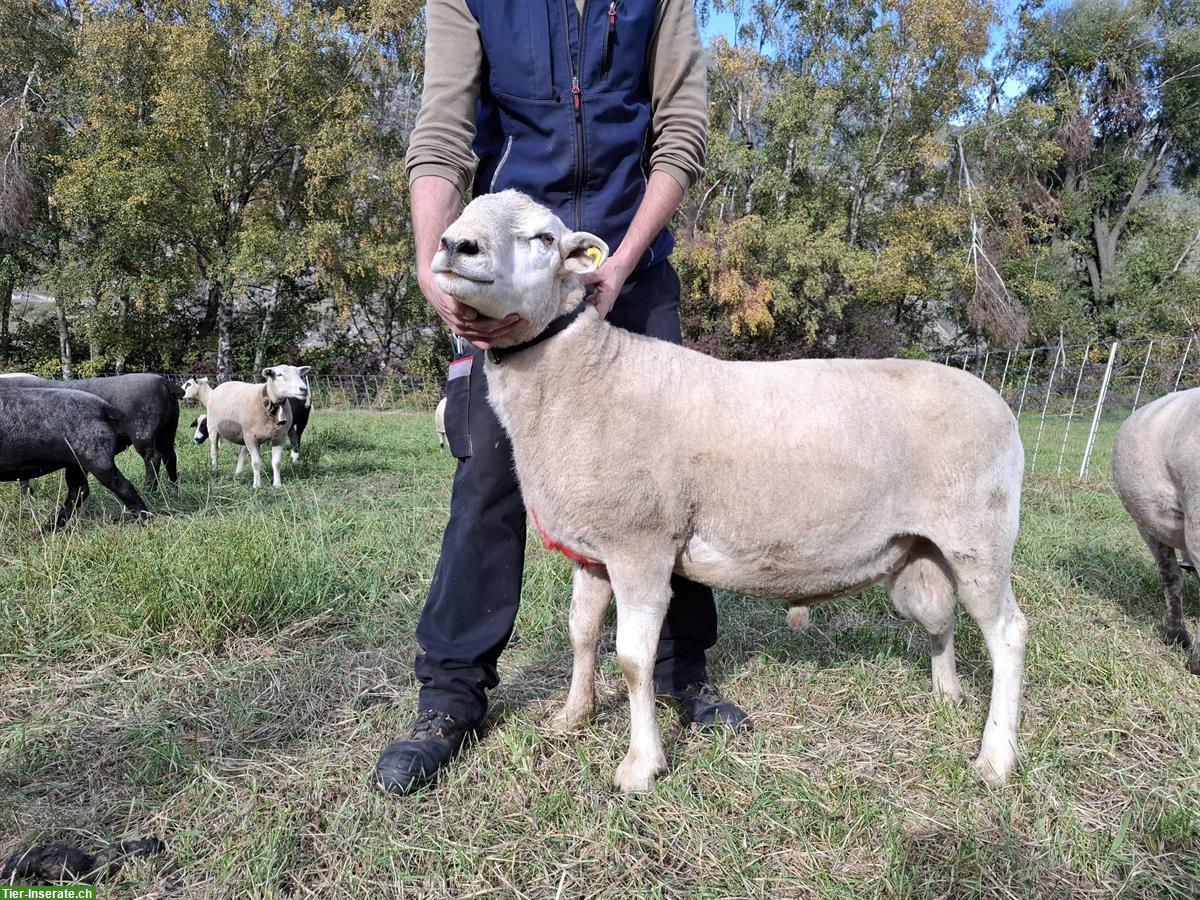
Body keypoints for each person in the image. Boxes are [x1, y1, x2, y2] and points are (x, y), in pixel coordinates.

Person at [375, 0, 748, 796]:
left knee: (673, 471)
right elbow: (445, 129)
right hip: (513, 273)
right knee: (487, 475)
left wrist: (624, 258)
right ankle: (450, 697)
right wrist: (430, 261)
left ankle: (687, 672)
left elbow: (679, 128)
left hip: (625, 266)